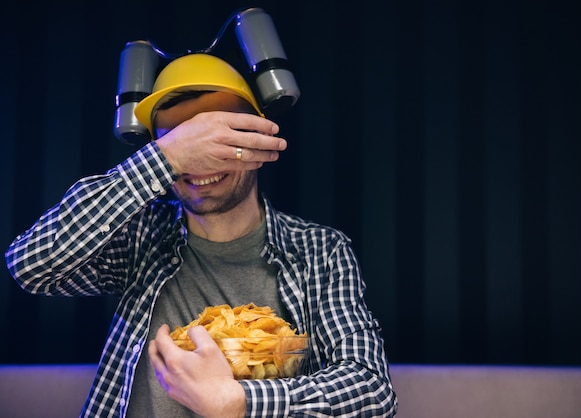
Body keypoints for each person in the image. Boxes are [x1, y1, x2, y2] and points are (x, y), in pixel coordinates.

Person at [5, 52, 398, 417]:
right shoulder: (141, 236)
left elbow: (372, 392)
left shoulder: (319, 252)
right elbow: (31, 265)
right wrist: (166, 158)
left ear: (256, 140)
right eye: (184, 143)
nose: (200, 164)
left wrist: (239, 401)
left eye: (220, 141)